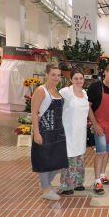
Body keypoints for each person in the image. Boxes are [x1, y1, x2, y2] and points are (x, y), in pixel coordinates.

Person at [31, 64, 68, 201]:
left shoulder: (57, 91)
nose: (56, 78)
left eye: (58, 75)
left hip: (58, 131)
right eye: (53, 75)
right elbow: (34, 113)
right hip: (44, 131)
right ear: (47, 75)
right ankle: (46, 189)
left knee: (59, 162)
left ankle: (45, 182)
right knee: (45, 161)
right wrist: (36, 133)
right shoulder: (41, 90)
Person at [87, 64, 109, 195]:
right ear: (105, 73)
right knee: (100, 153)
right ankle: (97, 182)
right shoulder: (95, 87)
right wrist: (95, 124)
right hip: (100, 126)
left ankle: (102, 175)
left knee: (107, 152)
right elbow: (88, 107)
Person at [59, 68, 90, 195]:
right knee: (69, 157)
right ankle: (66, 186)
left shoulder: (84, 93)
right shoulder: (65, 92)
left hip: (81, 131)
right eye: (76, 78)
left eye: (81, 78)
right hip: (68, 130)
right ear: (71, 79)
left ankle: (78, 183)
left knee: (79, 157)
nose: (78, 81)